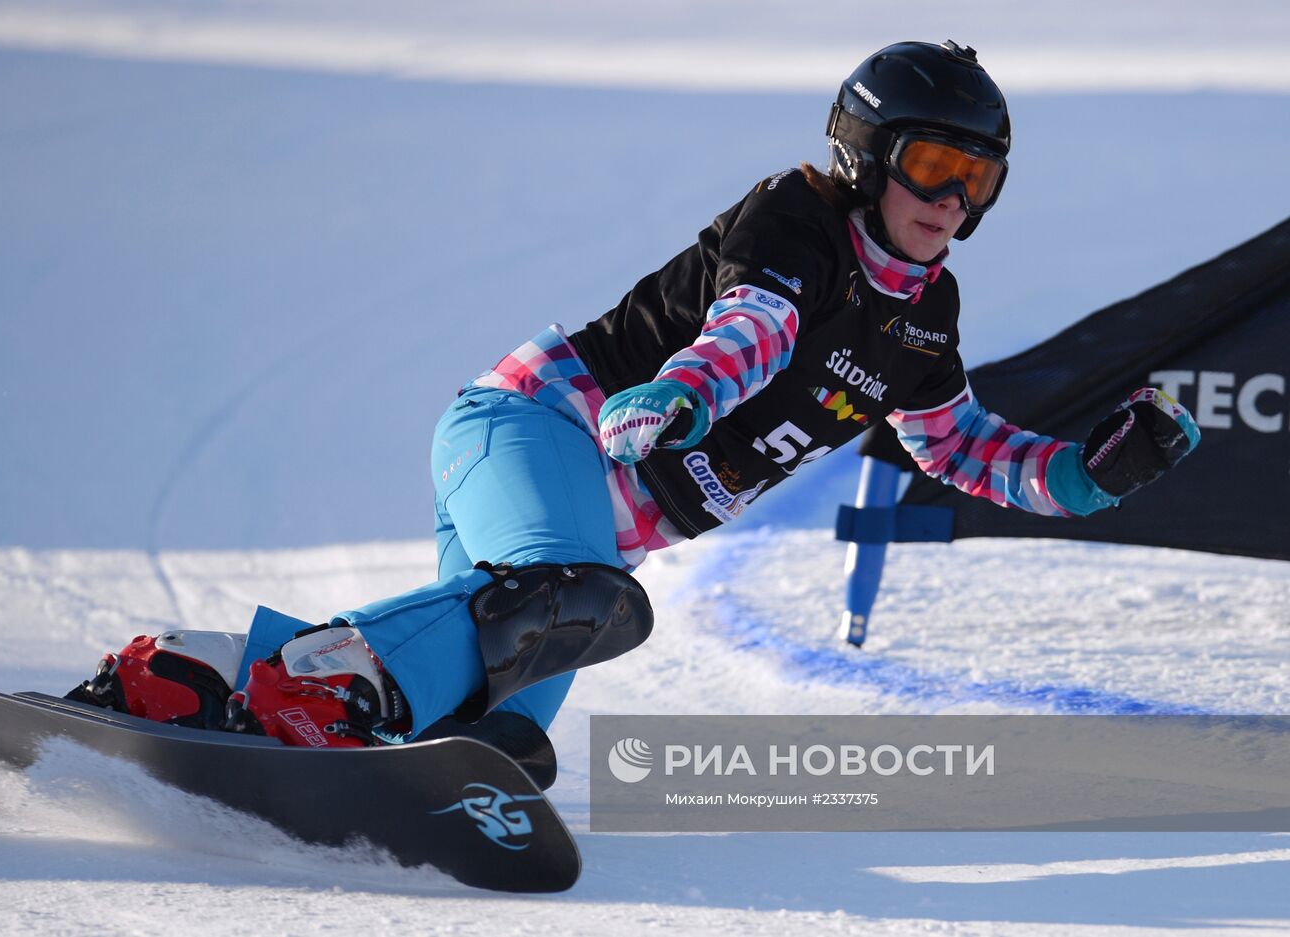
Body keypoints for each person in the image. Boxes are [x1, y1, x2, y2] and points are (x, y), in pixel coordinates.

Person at [68, 40, 1199, 789]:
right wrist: (683, 391)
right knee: (569, 602)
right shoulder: (793, 216)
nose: (951, 202)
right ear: (862, 155)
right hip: (536, 426)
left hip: (591, 527)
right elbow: (752, 323)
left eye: (979, 178)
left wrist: (1085, 476)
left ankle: (187, 670)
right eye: (932, 165)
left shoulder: (922, 314)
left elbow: (959, 445)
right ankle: (311, 686)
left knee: (498, 740)